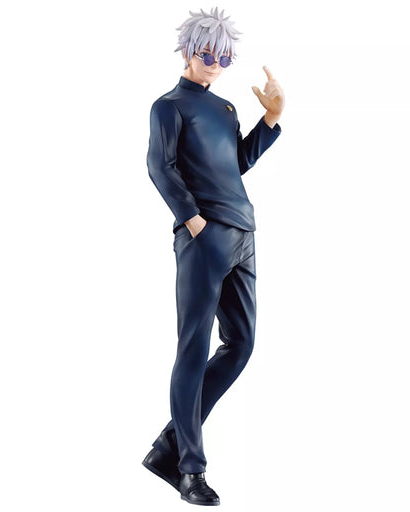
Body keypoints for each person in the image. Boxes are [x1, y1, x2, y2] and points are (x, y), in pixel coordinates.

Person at [142, 7, 285, 506]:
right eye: (208, 54)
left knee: (241, 343)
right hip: (203, 237)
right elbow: (159, 165)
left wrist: (270, 119)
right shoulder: (168, 106)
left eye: (225, 57)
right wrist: (192, 219)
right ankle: (189, 470)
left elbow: (237, 163)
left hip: (243, 232)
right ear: (188, 51)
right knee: (193, 347)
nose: (216, 63)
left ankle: (169, 445)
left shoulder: (224, 108)